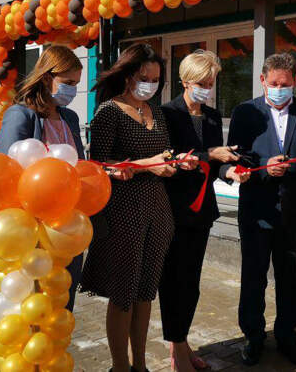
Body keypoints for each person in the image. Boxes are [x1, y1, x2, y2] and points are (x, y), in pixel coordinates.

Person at [79, 43, 197, 372]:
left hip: (158, 211)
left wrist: (173, 163)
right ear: (128, 75)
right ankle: (120, 366)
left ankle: (140, 365)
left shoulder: (155, 112)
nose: (151, 85)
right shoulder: (109, 111)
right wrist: (148, 165)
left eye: (156, 79)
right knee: (123, 292)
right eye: (145, 78)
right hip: (123, 212)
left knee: (146, 291)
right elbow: (98, 165)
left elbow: (163, 154)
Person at [221, 53, 296, 368]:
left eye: (285, 84)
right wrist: (264, 167)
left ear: (295, 81)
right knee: (253, 278)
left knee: (291, 280)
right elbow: (237, 158)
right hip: (257, 210)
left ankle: (287, 337)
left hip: (295, 211)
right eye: (274, 84)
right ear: (263, 81)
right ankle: (253, 337)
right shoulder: (245, 112)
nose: (280, 89)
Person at [160, 50, 249, 372]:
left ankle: (182, 343)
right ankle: (176, 351)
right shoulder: (167, 114)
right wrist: (210, 154)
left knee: (192, 283)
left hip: (202, 212)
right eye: (202, 83)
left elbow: (215, 165)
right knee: (174, 282)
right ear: (185, 81)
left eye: (211, 83)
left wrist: (230, 172)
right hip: (173, 210)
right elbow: (170, 158)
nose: (207, 89)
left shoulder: (212, 116)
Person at [0, 45, 87, 312]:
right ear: (47, 78)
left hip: (68, 228)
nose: (73, 90)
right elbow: (8, 170)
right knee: (34, 306)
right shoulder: (21, 114)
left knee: (62, 303)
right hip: (34, 231)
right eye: (68, 83)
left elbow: (79, 165)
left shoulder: (70, 117)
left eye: (76, 84)